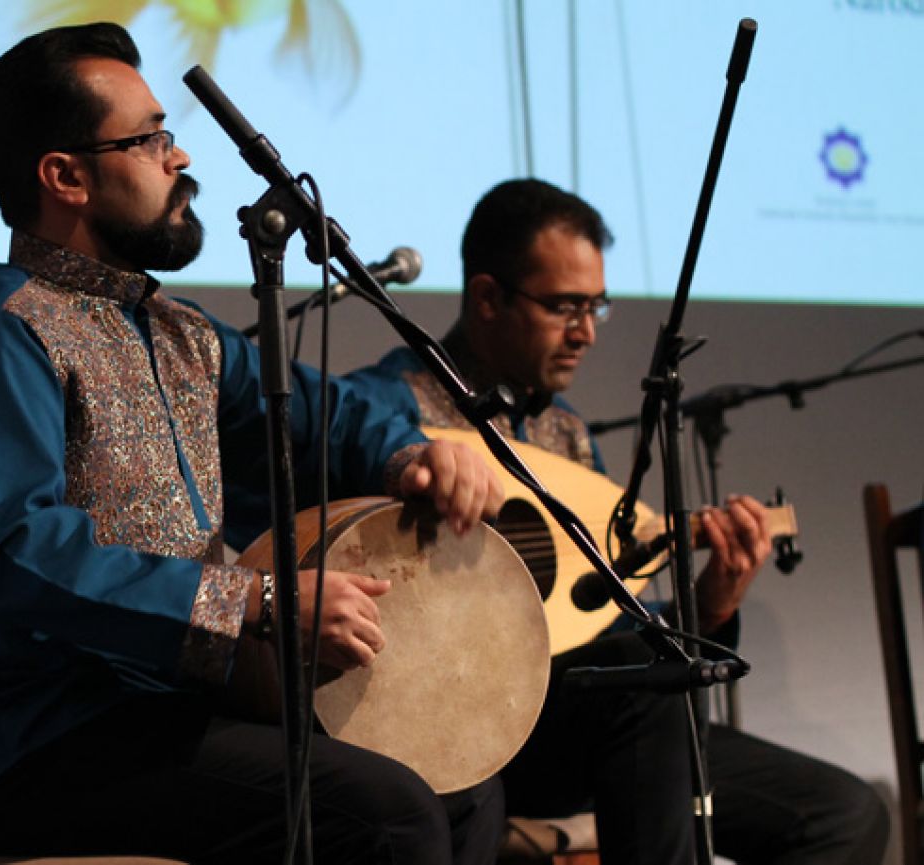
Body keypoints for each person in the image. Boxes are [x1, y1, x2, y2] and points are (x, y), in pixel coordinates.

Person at [0, 23, 510, 865]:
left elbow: (323, 415)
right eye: (147, 139)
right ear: (63, 175)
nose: (178, 158)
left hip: (178, 715)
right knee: (384, 813)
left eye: (168, 134)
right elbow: (19, 553)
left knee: (458, 781)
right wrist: (255, 604)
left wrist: (414, 451)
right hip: (46, 743)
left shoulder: (178, 334)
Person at [347, 178, 889, 865]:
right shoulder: (377, 416)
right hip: (459, 726)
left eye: (595, 306)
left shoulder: (566, 435)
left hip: (591, 720)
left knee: (842, 813)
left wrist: (712, 603)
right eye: (564, 306)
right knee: (636, 679)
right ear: (486, 297)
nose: (587, 332)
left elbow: (603, 620)